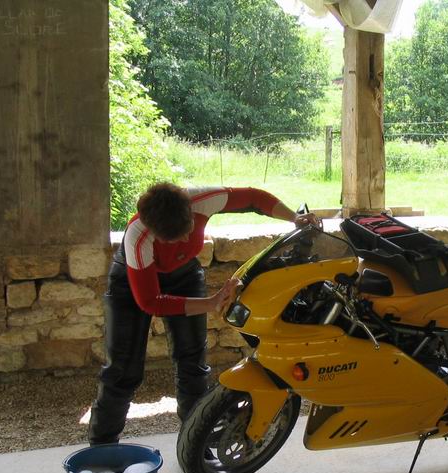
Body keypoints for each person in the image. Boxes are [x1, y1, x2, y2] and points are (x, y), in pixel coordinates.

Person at [88, 183, 321, 445]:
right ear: (154, 232)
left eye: (188, 231)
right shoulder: (138, 235)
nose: (185, 241)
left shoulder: (201, 199)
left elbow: (253, 197)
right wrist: (211, 303)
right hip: (132, 284)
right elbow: (152, 302)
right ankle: (102, 445)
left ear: (190, 213)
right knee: (123, 370)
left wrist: (294, 217)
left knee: (192, 362)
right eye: (173, 240)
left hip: (183, 274)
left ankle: (196, 440)